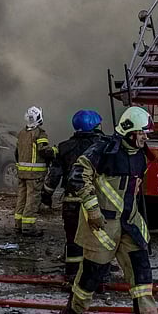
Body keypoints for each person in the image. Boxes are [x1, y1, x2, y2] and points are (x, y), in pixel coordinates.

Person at [56, 105, 158, 314]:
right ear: (130, 132)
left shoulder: (142, 154)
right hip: (102, 225)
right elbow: (77, 175)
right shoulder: (104, 149)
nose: (146, 137)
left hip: (130, 224)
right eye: (143, 132)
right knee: (91, 275)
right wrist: (92, 209)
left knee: (142, 277)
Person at [42, 109, 105, 280]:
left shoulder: (64, 147)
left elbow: (53, 176)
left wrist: (46, 196)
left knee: (73, 239)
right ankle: (97, 277)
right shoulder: (103, 146)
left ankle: (72, 273)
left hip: (71, 203)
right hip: (96, 202)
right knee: (98, 238)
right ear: (94, 125)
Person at [14, 106, 54, 236]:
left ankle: (18, 225)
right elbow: (44, 150)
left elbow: (16, 153)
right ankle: (28, 227)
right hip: (35, 175)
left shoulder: (21, 133)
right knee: (32, 200)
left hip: (22, 174)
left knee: (22, 198)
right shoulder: (40, 133)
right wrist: (54, 151)